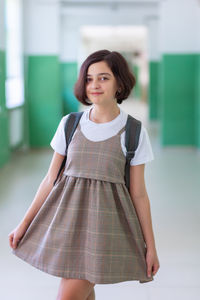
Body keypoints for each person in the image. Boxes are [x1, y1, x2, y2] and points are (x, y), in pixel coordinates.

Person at [8, 49, 160, 300]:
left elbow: (139, 194)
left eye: (103, 78)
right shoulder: (70, 124)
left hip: (103, 230)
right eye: (89, 78)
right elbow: (50, 180)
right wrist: (24, 223)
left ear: (119, 83)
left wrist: (150, 247)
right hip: (67, 225)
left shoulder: (133, 131)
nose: (94, 85)